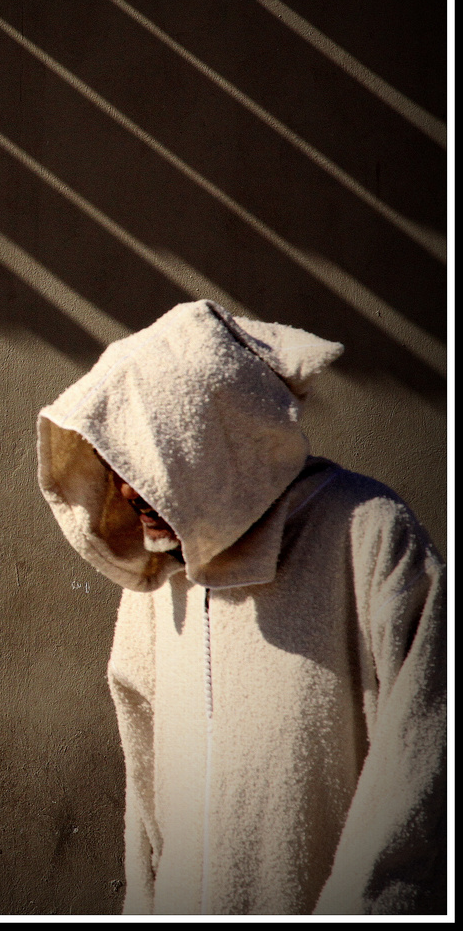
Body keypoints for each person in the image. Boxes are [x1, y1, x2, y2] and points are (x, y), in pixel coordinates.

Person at [34, 299, 445, 915]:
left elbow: (425, 777)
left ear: (204, 435)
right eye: (116, 460)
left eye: (145, 454)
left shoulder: (366, 534)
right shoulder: (155, 586)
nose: (123, 487)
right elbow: (146, 803)